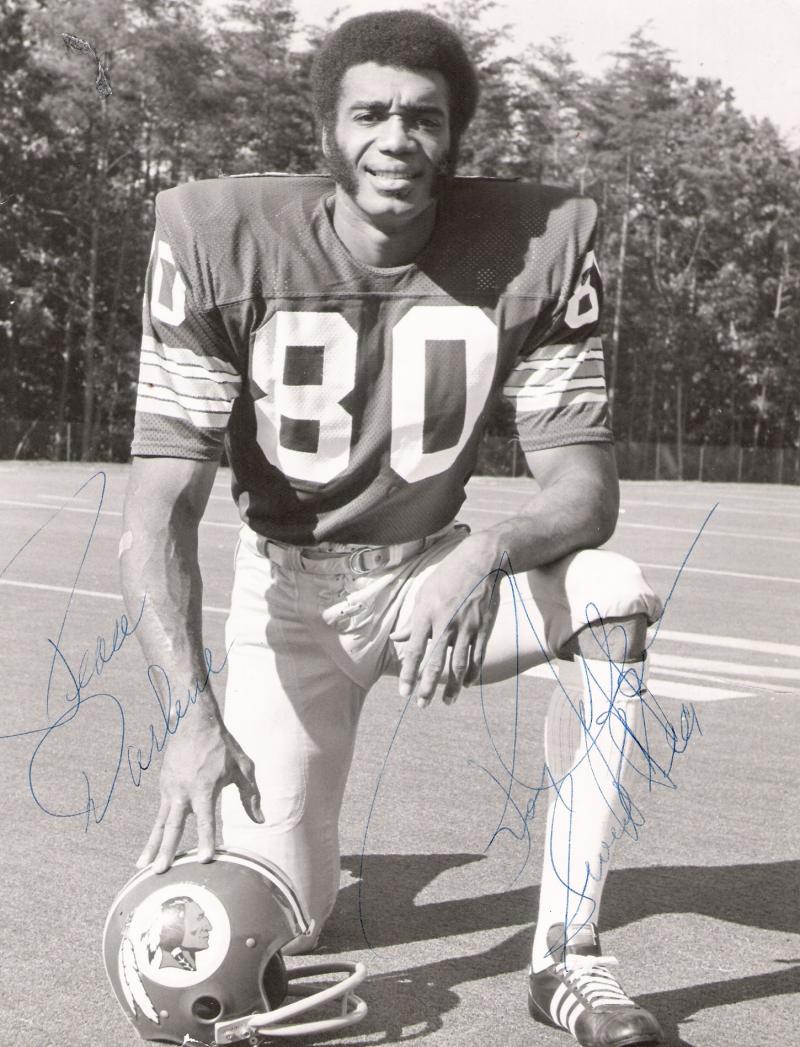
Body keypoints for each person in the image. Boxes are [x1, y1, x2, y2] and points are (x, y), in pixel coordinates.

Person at [120, 10, 665, 1046]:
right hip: (287, 602)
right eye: (369, 114)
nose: (396, 139)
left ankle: (568, 956)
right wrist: (191, 720)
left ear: (454, 135)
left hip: (430, 576)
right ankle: (314, 860)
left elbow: (584, 491)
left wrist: (484, 551)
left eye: (423, 117)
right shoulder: (219, 238)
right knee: (280, 921)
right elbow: (158, 513)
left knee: (611, 592)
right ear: (326, 130)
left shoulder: (537, 244)